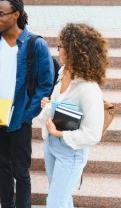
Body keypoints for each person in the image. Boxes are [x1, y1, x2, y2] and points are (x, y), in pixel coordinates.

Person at [0, 0, 55, 208]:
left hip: (21, 118)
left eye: (1, 14)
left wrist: (27, 114)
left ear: (16, 14)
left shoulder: (36, 45)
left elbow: (46, 84)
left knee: (21, 171)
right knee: (3, 166)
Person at [33, 23, 108, 207]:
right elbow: (62, 104)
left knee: (55, 202)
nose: (58, 50)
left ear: (74, 51)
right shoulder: (64, 72)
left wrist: (59, 133)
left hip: (70, 153)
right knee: (62, 200)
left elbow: (92, 134)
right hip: (51, 145)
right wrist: (50, 104)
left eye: (62, 46)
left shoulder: (89, 89)